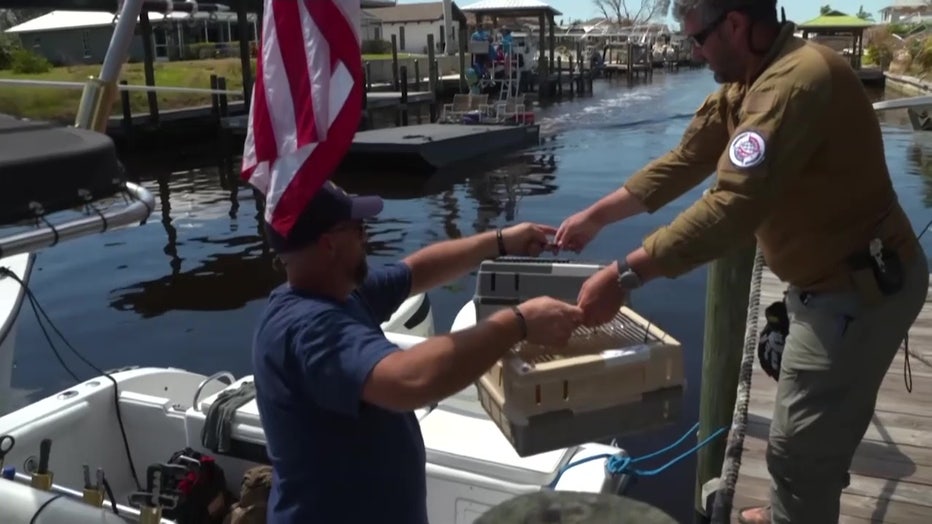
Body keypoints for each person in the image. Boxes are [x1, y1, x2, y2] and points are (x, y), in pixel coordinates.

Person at [554, 1, 928, 523]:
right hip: (822, 281)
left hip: (856, 290)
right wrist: (596, 216)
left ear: (733, 24)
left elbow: (730, 208)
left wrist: (625, 275)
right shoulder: (746, 83)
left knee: (798, 449)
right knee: (814, 433)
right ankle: (793, 505)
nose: (692, 50)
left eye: (696, 39)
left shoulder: (792, 84)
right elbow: (684, 160)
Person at [252, 180, 582, 524]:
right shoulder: (309, 329)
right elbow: (410, 380)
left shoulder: (338, 292)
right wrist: (518, 323)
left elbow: (414, 272)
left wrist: (499, 241)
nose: (365, 237)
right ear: (329, 244)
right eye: (359, 228)